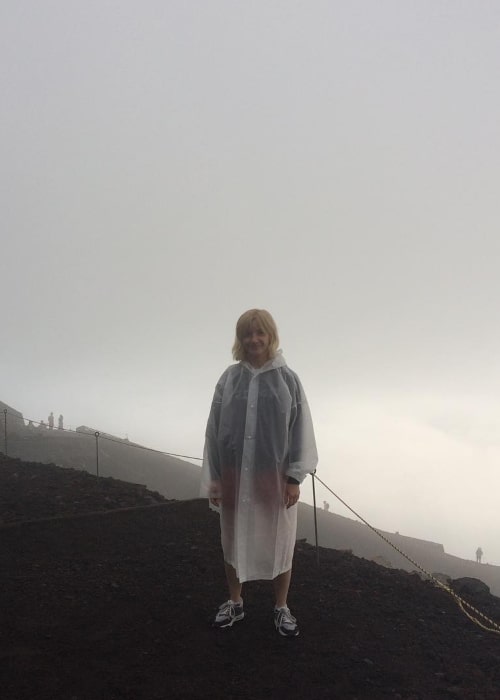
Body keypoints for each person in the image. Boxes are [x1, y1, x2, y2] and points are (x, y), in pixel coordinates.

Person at [201, 309, 318, 637]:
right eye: (246, 334)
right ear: (240, 339)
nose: (253, 340)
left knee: (280, 540)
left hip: (274, 477)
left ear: (270, 336)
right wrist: (214, 476)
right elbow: (214, 429)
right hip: (235, 474)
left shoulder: (287, 380)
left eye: (259, 333)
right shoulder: (229, 379)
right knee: (232, 539)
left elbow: (301, 429)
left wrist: (295, 477)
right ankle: (235, 602)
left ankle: (281, 606)